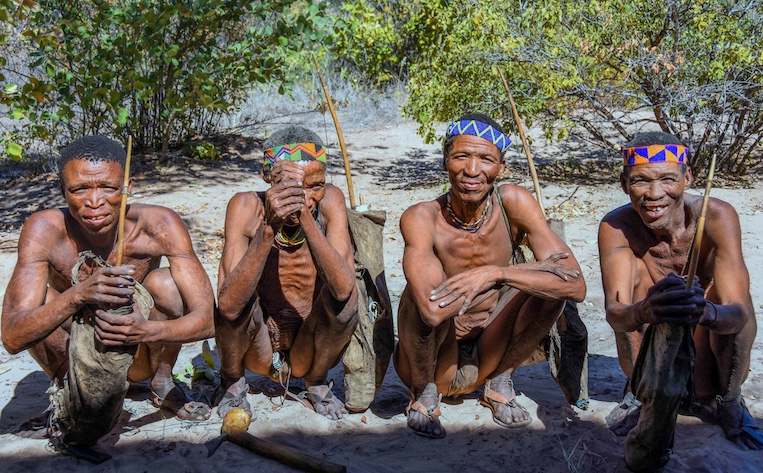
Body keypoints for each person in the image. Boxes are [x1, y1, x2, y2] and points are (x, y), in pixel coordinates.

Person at [1, 135, 215, 451]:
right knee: (43, 300)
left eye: (108, 188)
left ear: (126, 187)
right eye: (79, 189)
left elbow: (209, 319)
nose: (95, 201)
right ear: (63, 191)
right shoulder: (44, 229)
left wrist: (149, 330)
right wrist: (78, 295)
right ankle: (69, 398)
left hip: (141, 352)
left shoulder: (159, 224)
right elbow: (12, 337)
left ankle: (163, 383)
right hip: (78, 358)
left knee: (166, 284)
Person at [394, 113, 586, 438]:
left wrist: (494, 273)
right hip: (436, 359)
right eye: (461, 157)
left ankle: (499, 383)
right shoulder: (422, 217)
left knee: (551, 290)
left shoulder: (512, 201)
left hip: (490, 348)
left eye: (486, 159)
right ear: (445, 160)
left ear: (502, 167)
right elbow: (431, 310)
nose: (472, 170)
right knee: (419, 294)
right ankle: (424, 396)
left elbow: (576, 284)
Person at [598, 131, 763, 470]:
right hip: (650, 351)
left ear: (688, 178)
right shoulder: (616, 226)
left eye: (668, 180)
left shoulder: (716, 216)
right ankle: (638, 394)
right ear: (623, 182)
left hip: (704, 346)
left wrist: (705, 309)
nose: (654, 194)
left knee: (733, 297)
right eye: (640, 181)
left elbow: (737, 313)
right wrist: (645, 309)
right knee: (633, 286)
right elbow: (616, 313)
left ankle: (730, 399)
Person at [214, 126, 357, 420]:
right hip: (259, 347)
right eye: (292, 186)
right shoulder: (245, 205)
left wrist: (303, 213)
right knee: (236, 299)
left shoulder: (330, 201)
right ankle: (232, 380)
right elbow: (228, 305)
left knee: (348, 302)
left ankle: (316, 381)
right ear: (268, 178)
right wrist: (269, 226)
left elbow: (343, 288)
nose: (307, 195)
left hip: (309, 347)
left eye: (315, 185)